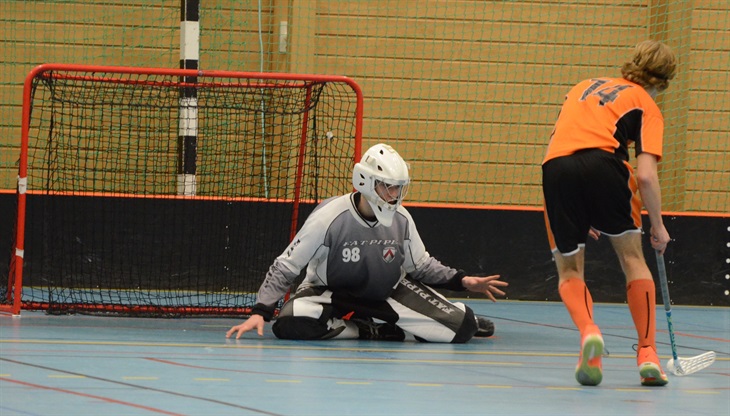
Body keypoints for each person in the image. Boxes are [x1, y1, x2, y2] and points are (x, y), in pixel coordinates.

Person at [227, 143, 508, 343]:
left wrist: (463, 281)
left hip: (387, 293)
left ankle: (426, 321)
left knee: (463, 328)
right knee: (290, 322)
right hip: (329, 293)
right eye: (388, 186)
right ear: (365, 181)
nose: (394, 195)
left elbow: (421, 266)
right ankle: (367, 330)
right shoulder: (328, 218)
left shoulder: (402, 219)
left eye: (399, 188)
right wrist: (261, 311)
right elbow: (286, 266)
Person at [541, 40, 677, 387]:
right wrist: (658, 226)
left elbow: (559, 145)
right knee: (633, 259)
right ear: (663, 81)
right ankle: (648, 353)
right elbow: (646, 176)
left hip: (556, 169)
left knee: (569, 269)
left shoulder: (582, 87)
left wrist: (579, 209)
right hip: (606, 166)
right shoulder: (647, 105)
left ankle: (589, 332)